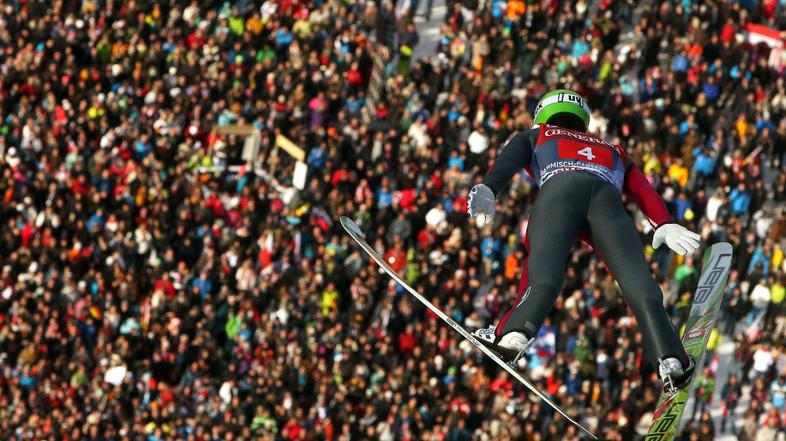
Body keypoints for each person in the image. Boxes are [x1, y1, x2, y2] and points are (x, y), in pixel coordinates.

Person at [467, 89, 700, 391]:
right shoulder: (613, 149)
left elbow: (511, 157)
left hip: (559, 193)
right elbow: (641, 188)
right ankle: (671, 360)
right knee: (638, 282)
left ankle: (514, 334)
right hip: (607, 204)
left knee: (544, 272)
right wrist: (664, 223)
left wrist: (490, 186)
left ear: (542, 114)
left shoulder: (539, 134)